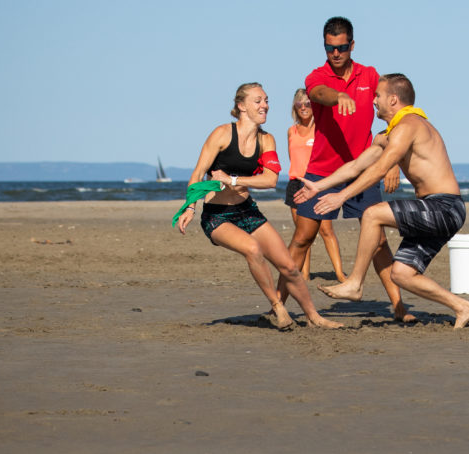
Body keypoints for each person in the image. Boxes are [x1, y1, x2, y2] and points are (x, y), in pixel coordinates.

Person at [294, 74, 469, 329]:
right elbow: (357, 166)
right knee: (402, 274)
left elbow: (382, 169)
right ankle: (464, 307)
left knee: (372, 214)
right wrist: (319, 186)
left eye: (378, 96)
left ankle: (355, 283)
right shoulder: (391, 132)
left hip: (443, 207)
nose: (373, 101)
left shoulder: (410, 125)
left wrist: (341, 197)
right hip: (437, 208)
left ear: (393, 99)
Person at [175, 82, 342, 330]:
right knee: (253, 249)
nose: (264, 105)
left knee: (288, 266)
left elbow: (270, 179)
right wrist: (189, 207)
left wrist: (232, 180)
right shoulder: (222, 134)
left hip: (247, 211)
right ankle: (278, 308)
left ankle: (314, 317)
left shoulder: (266, 140)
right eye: (258, 101)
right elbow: (199, 173)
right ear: (241, 106)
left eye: (266, 100)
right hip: (217, 216)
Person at [280, 16, 413, 322]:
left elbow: (393, 118)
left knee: (378, 240)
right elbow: (317, 94)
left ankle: (399, 307)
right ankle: (278, 303)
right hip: (322, 172)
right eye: (329, 47)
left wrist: (391, 161)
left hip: (364, 170)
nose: (335, 53)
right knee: (303, 238)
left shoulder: (371, 76)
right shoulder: (317, 76)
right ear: (324, 46)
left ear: (351, 45)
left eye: (341, 47)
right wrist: (337, 95)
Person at [284, 88, 347, 282]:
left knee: (326, 230)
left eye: (307, 103)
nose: (303, 107)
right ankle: (304, 273)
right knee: (303, 234)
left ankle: (339, 274)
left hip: (317, 183)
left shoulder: (320, 128)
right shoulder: (291, 131)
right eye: (299, 104)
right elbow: (294, 159)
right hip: (296, 184)